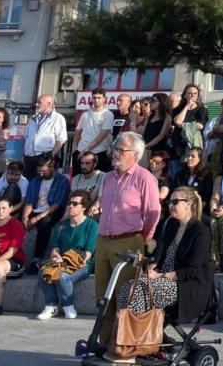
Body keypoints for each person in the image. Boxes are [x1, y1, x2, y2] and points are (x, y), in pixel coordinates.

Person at [114, 185, 212, 360]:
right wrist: (154, 266)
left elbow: (193, 270)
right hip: (163, 279)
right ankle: (125, 342)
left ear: (189, 204)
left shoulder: (201, 231)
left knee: (137, 292)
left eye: (175, 202)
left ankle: (135, 346)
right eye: (169, 202)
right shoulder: (171, 225)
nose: (171, 205)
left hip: (187, 287)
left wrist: (160, 276)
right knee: (126, 289)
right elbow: (161, 256)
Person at [94, 132, 162, 345]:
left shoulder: (145, 178)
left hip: (129, 242)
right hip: (104, 240)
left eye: (120, 150)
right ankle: (103, 343)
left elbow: (153, 212)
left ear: (135, 154)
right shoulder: (107, 178)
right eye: (115, 148)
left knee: (125, 298)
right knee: (102, 298)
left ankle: (124, 345)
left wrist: (143, 239)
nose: (115, 153)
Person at [36, 190, 98, 320]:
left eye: (75, 204)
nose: (71, 206)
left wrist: (65, 261)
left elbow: (88, 253)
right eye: (69, 203)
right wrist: (56, 256)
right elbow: (55, 248)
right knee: (43, 273)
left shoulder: (92, 225)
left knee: (63, 277)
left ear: (84, 207)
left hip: (82, 263)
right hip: (62, 262)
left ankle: (68, 305)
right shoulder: (62, 224)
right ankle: (51, 305)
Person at [23, 156, 71, 261]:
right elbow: (29, 201)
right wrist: (25, 217)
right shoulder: (35, 180)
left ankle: (37, 257)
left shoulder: (62, 181)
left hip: (52, 211)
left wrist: (37, 218)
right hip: (36, 210)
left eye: (44, 171)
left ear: (52, 167)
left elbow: (57, 204)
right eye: (39, 171)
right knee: (17, 222)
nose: (41, 173)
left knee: (44, 224)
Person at [23, 94, 67, 180]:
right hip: (29, 157)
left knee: (43, 182)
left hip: (44, 156)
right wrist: (24, 155)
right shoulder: (33, 118)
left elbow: (61, 139)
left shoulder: (58, 118)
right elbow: (26, 137)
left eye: (39, 102)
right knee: (29, 183)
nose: (37, 104)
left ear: (49, 104)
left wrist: (51, 155)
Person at [73, 87, 115, 175]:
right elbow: (78, 130)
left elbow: (102, 135)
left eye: (99, 98)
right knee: (77, 179)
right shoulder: (85, 114)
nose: (96, 100)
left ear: (104, 99)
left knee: (98, 181)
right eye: (94, 98)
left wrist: (87, 150)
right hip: (81, 151)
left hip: (98, 152)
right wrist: (75, 147)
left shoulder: (108, 114)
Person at [171, 84, 209, 176]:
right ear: (185, 95)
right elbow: (177, 121)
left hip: (193, 147)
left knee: (190, 173)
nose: (192, 96)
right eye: (190, 93)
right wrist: (186, 107)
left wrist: (182, 125)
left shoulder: (202, 110)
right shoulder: (177, 109)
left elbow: (200, 126)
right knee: (177, 173)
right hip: (178, 146)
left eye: (195, 93)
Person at [178, 147, 213, 213]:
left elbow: (206, 198)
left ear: (200, 159)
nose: (189, 158)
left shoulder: (206, 176)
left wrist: (195, 211)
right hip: (180, 209)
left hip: (199, 211)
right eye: (188, 156)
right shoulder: (180, 174)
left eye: (193, 156)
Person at [142, 92, 173, 159]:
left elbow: (161, 135)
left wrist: (146, 145)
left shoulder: (167, 117)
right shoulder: (150, 116)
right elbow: (144, 132)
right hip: (146, 149)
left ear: (162, 103)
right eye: (151, 101)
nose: (151, 103)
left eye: (153, 101)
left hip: (158, 151)